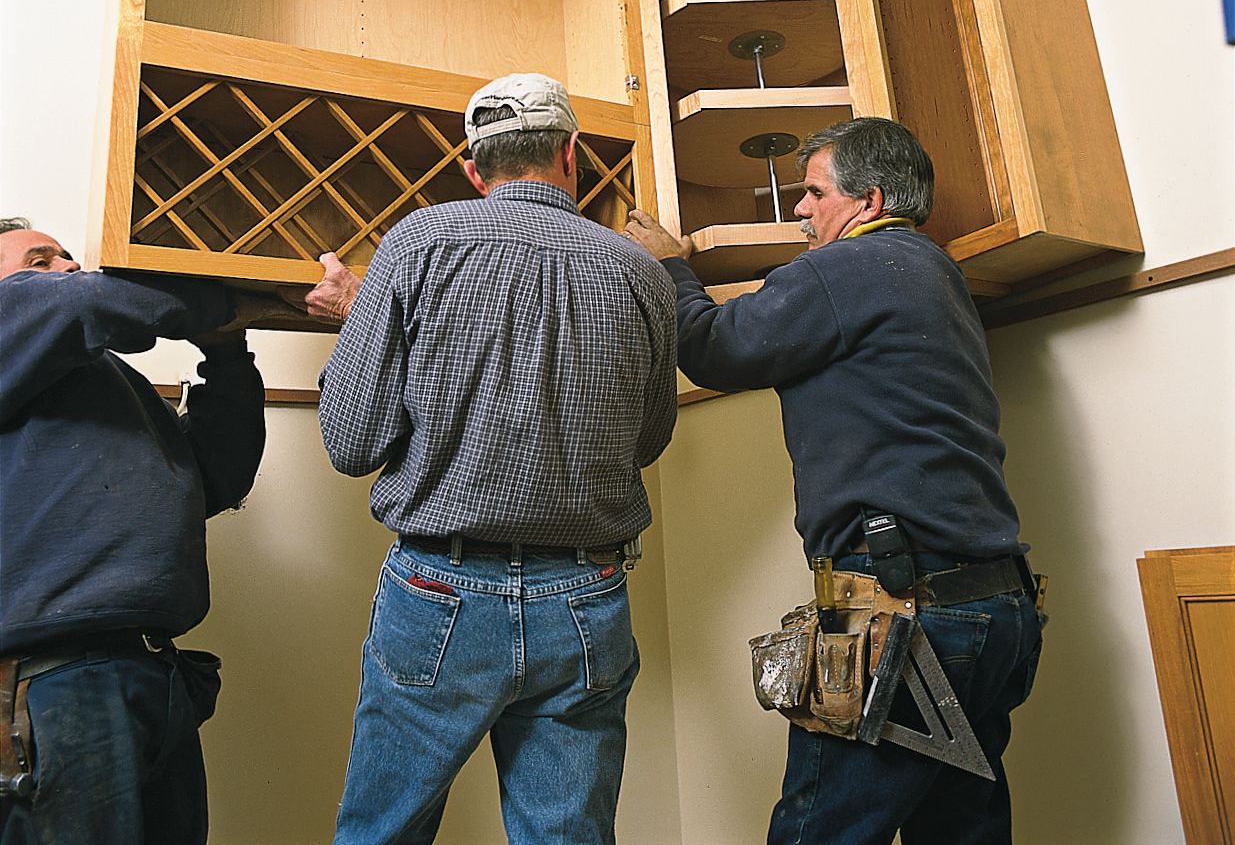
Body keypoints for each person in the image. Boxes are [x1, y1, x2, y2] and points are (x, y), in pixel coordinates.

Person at [624, 117, 1044, 845]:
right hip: (991, 609)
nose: (799, 209)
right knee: (961, 830)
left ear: (869, 201)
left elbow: (717, 350)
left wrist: (670, 266)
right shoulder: (934, 271)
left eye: (813, 191)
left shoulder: (849, 267)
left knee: (819, 832)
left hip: (907, 617)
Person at [313, 72, 678, 845]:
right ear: (570, 154)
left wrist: (359, 319)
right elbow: (646, 442)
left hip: (437, 588)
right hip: (587, 591)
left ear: (473, 168)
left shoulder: (417, 242)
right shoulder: (643, 273)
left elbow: (350, 443)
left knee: (383, 832)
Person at [0, 217, 267, 845]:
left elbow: (214, 475)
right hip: (60, 679)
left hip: (148, 673)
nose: (67, 267)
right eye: (39, 261)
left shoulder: (106, 381)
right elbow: (82, 299)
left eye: (67, 255)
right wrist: (237, 294)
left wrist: (227, 354)